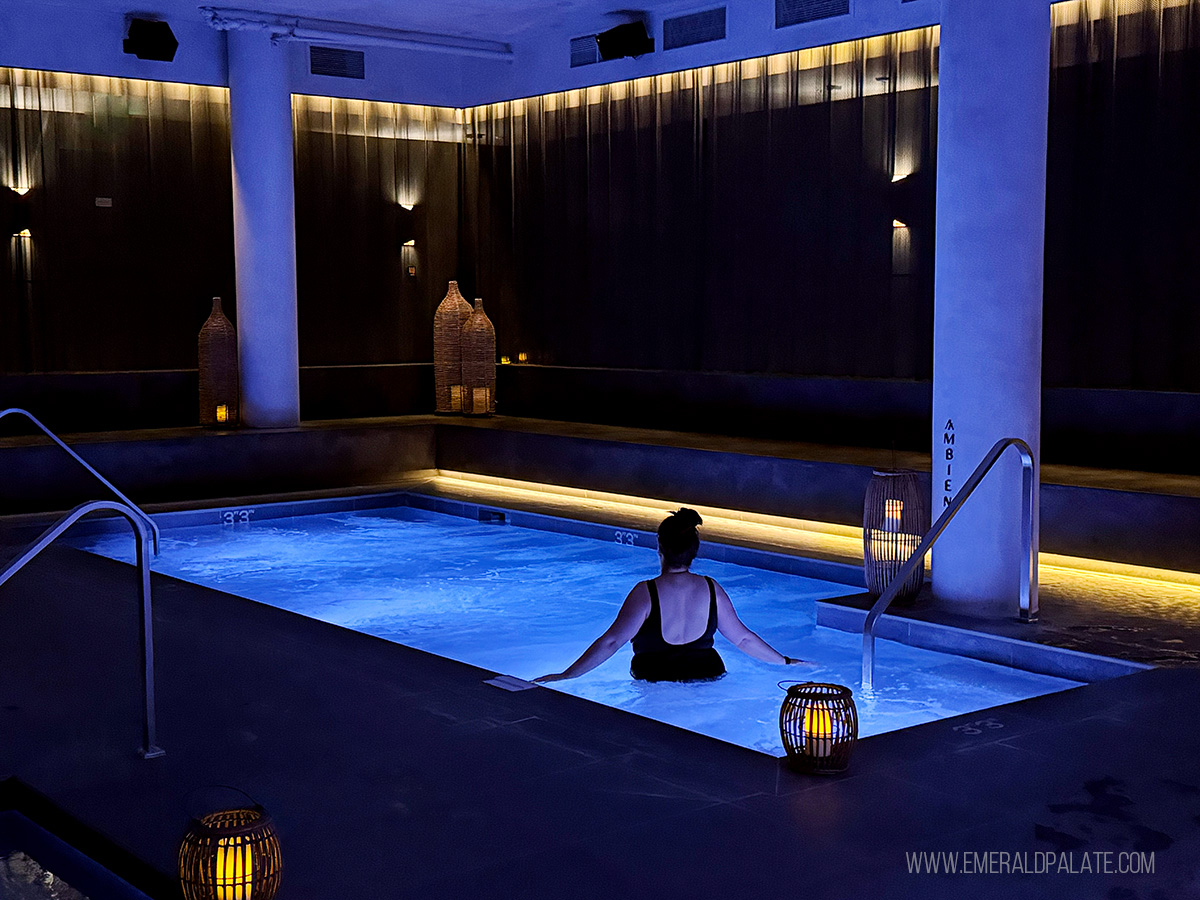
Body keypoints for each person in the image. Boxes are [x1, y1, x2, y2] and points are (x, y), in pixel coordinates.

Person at [534, 508, 807, 684]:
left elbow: (612, 642)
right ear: (695, 551)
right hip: (708, 679)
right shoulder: (712, 589)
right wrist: (785, 661)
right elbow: (743, 639)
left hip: (655, 683)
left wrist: (567, 675)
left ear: (659, 547)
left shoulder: (645, 593)